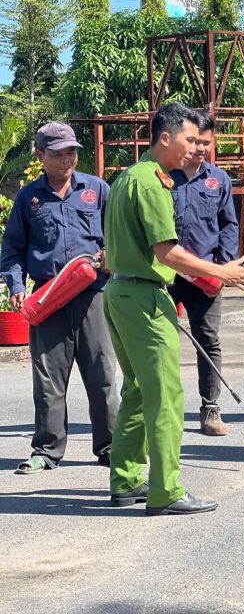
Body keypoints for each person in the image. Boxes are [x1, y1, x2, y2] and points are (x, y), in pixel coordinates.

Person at [103, 102, 244, 516]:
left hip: (120, 293)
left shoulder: (127, 177)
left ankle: (125, 480)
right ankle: (166, 490)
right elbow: (167, 252)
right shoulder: (153, 183)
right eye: (190, 139)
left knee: (137, 390)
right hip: (144, 295)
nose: (195, 147)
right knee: (167, 395)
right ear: (166, 137)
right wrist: (222, 272)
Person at [1, 122, 119, 474]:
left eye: (71, 151)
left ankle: (111, 446)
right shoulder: (28, 199)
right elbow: (12, 250)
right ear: (40, 156)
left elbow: (118, 235)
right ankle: (47, 450)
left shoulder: (97, 190)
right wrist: (16, 286)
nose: (67, 158)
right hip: (48, 297)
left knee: (102, 374)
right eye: (57, 153)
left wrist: (111, 255)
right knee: (48, 378)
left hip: (93, 295)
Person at [169, 109, 239, 436]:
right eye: (194, 140)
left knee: (207, 339)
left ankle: (210, 409)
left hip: (206, 276)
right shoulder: (161, 175)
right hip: (164, 273)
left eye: (205, 142)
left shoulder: (219, 179)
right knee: (155, 340)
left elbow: (228, 225)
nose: (199, 148)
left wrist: (222, 267)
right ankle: (146, 405)